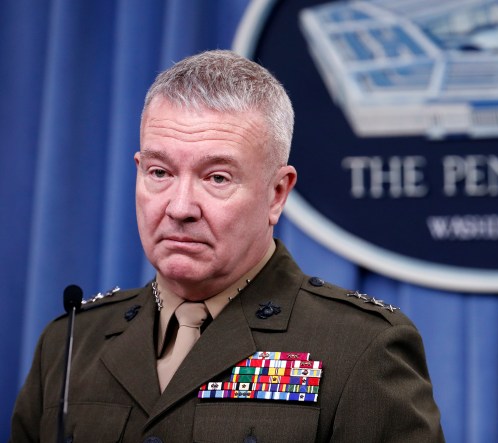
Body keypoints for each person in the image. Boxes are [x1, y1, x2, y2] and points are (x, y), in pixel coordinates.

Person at [10, 50, 444, 442]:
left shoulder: (361, 346)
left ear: (276, 193)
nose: (180, 207)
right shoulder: (70, 343)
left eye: (217, 177)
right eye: (160, 173)